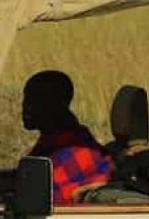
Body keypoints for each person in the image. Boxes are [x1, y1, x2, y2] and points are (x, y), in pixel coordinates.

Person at [23, 70, 113, 204]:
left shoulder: (78, 150)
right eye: (26, 99)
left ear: (57, 105)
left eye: (35, 100)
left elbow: (45, 199)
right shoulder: (52, 141)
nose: (25, 106)